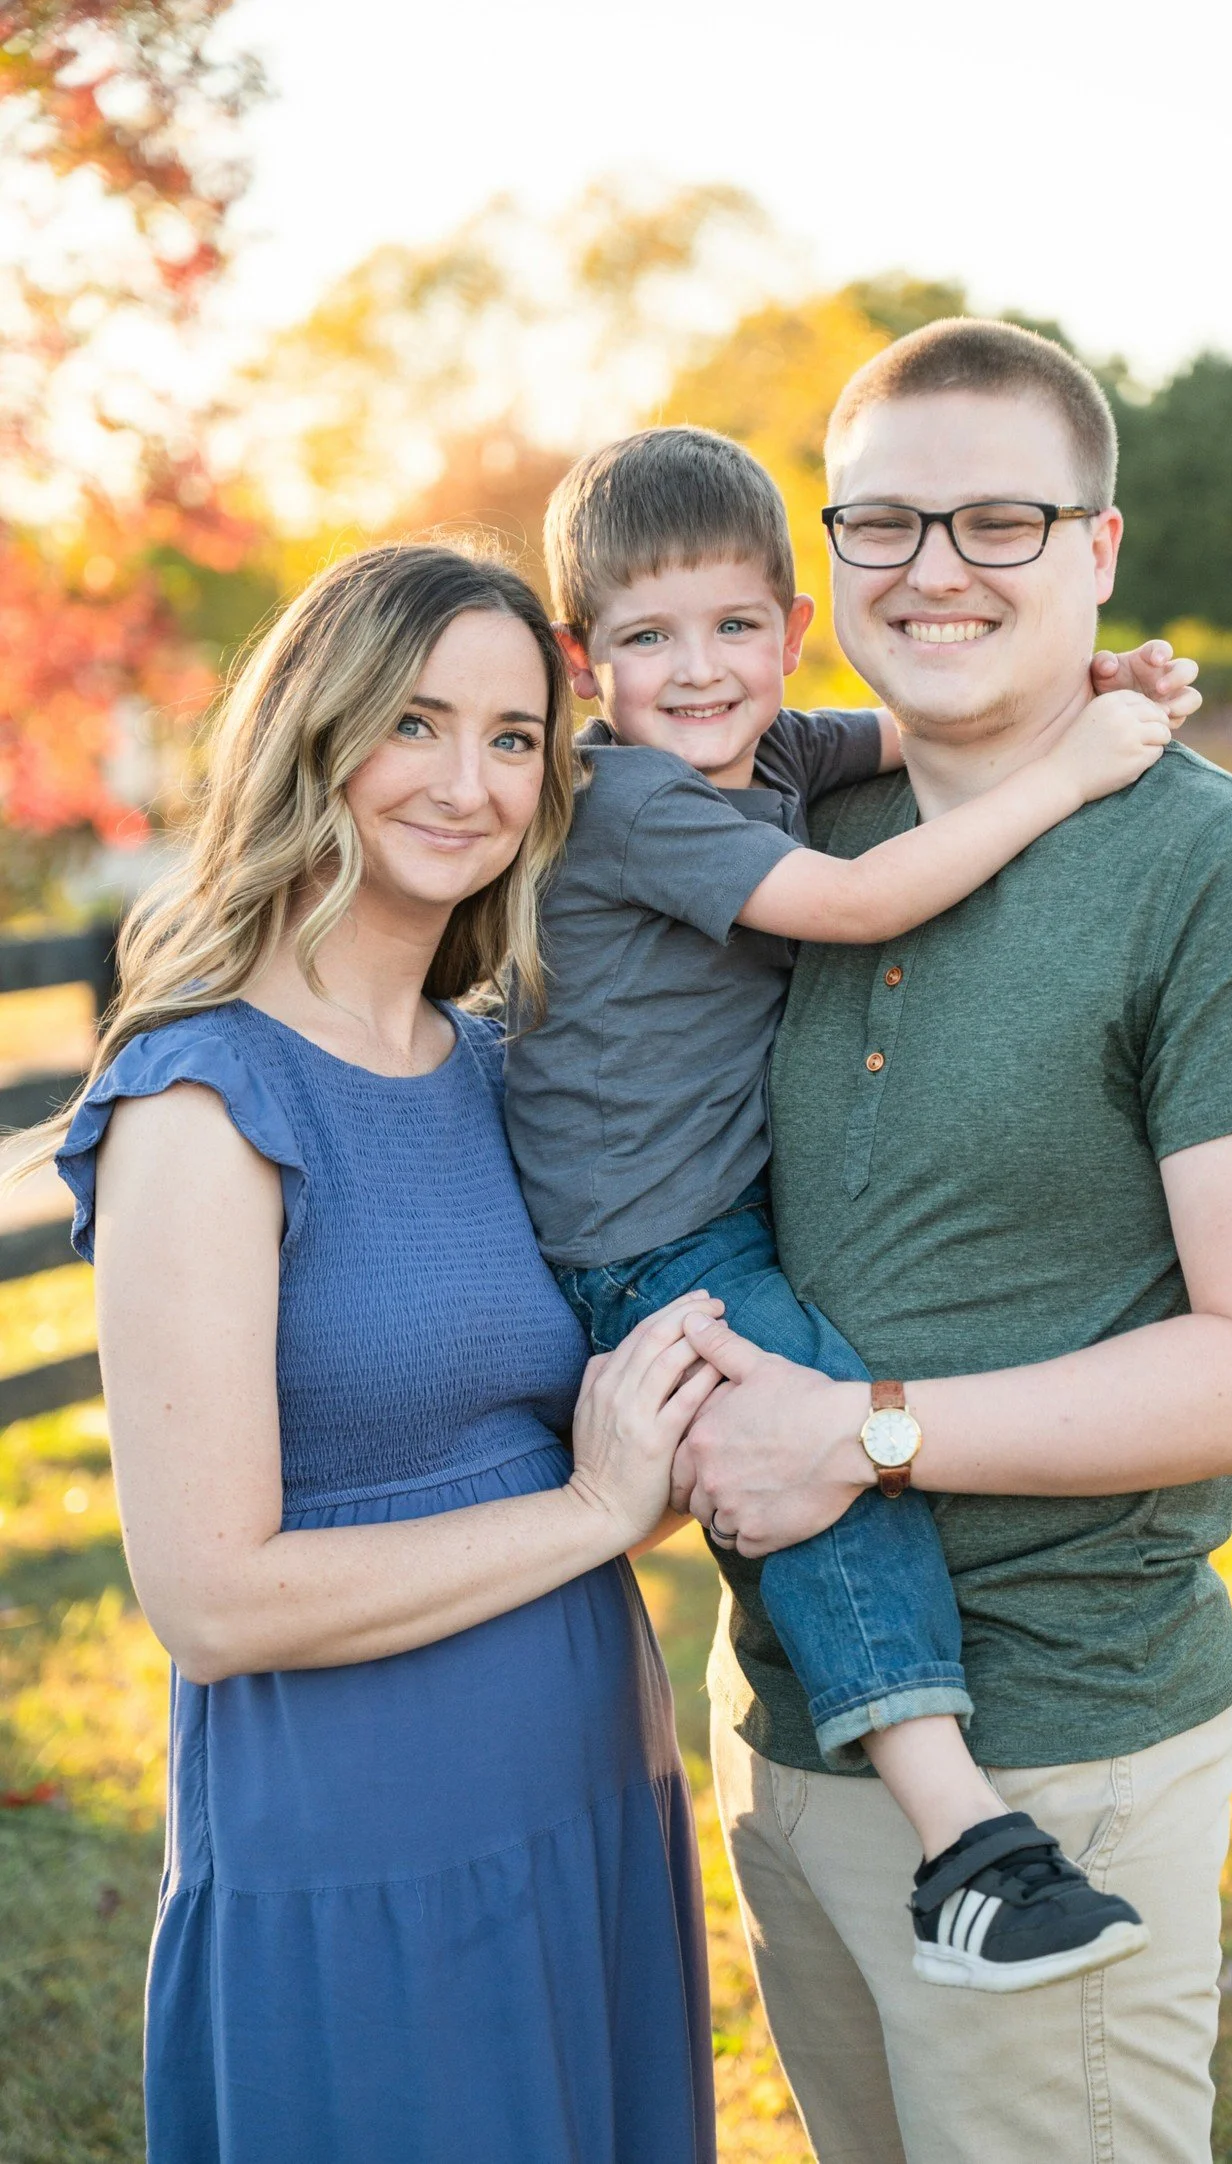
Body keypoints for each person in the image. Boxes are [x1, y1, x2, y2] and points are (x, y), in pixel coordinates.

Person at [673, 320, 1232, 2163]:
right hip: (787, 1733)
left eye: (1000, 519)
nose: (933, 570)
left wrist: (865, 1433)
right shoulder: (786, 827)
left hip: (1058, 1754)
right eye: (885, 524)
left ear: (1101, 549)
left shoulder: (1220, 879)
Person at [35, 544, 720, 2164]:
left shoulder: (500, 1067)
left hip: (591, 1791)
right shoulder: (206, 1106)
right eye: (413, 723)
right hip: (366, 1850)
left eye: (511, 740)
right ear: (311, 734)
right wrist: (589, 1513)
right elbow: (208, 1597)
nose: (468, 783)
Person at [505, 423, 1199, 1990]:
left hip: (702, 1216)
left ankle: (953, 1832)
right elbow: (863, 899)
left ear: (792, 628)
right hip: (643, 1250)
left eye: (738, 625)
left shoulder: (776, 756)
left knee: (811, 1430)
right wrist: (1081, 773)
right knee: (814, 1448)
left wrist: (1087, 692)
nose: (700, 672)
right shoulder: (625, 799)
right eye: (647, 638)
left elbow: (915, 741)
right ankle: (966, 1843)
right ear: (580, 660)